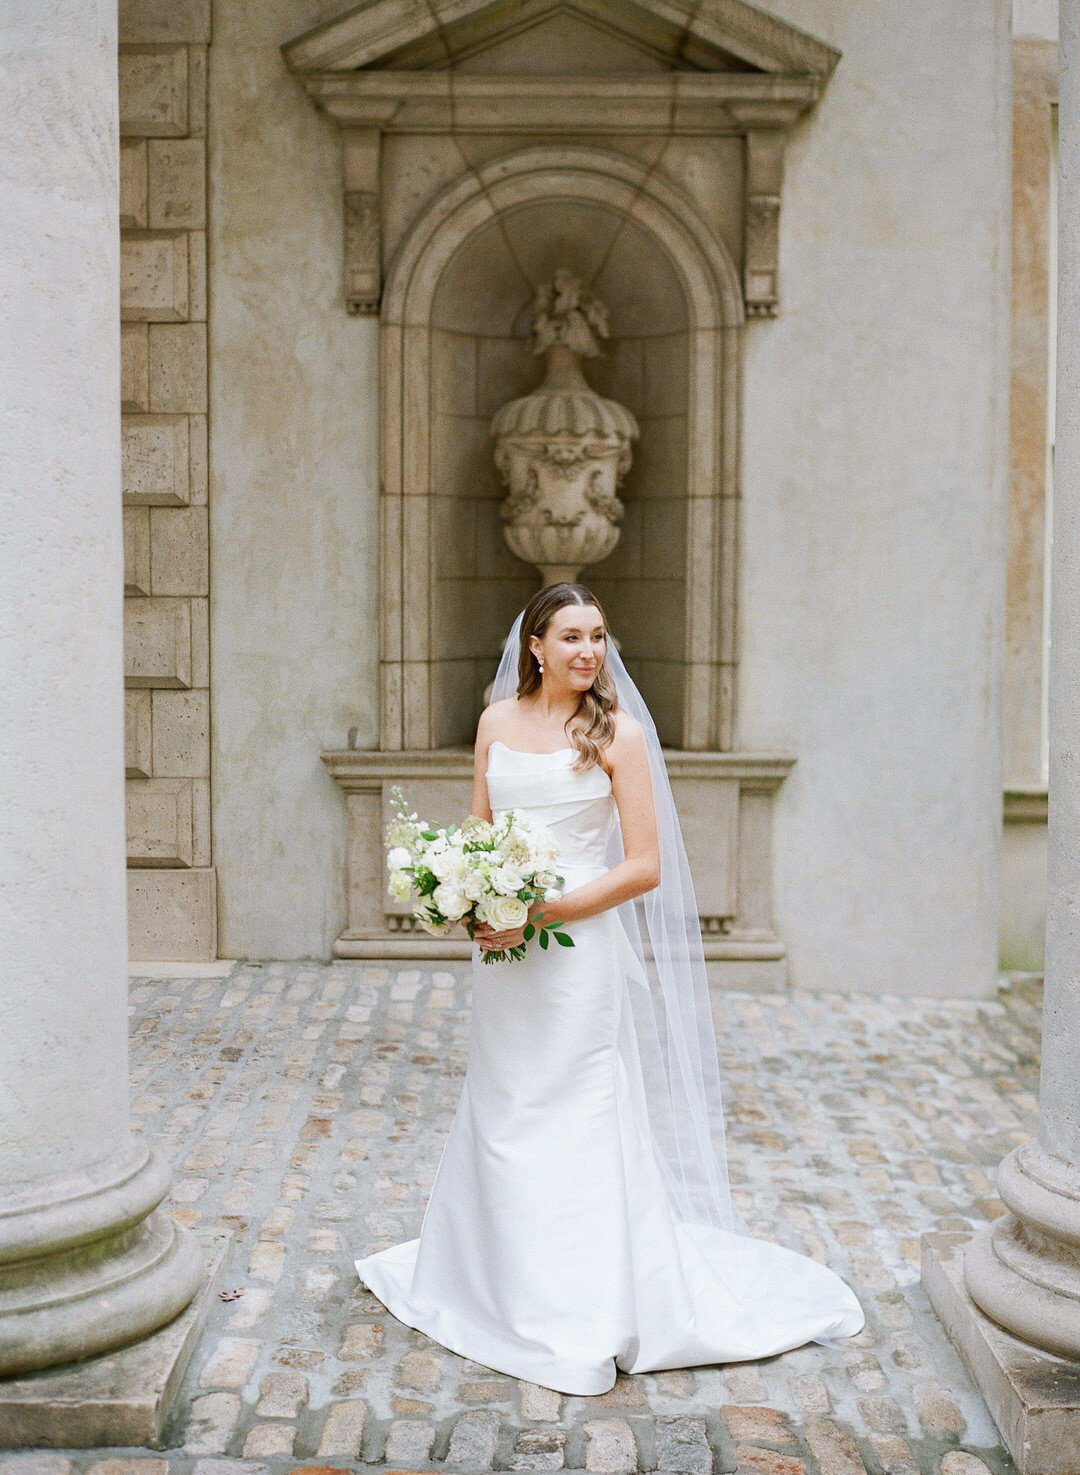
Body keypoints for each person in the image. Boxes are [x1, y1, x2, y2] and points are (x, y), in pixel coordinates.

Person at [356, 582, 865, 1395]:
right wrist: (466, 891)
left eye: (597, 636)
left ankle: (581, 1300)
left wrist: (540, 909)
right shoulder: (495, 724)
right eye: (570, 637)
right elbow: (480, 830)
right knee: (504, 1102)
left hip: (574, 954)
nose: (588, 651)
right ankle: (490, 1282)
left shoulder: (617, 735)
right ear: (535, 646)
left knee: (576, 1107)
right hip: (506, 957)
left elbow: (643, 866)